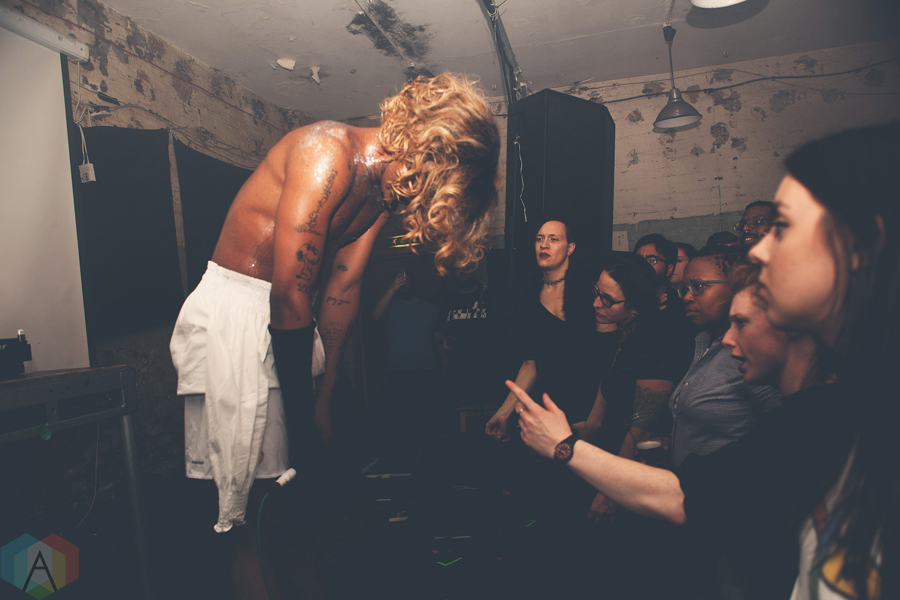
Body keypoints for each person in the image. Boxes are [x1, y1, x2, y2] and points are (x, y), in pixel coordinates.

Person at [507, 121, 900, 600]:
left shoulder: (856, 414)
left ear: (861, 245)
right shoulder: (828, 412)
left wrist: (565, 445)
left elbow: (683, 496)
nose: (762, 247)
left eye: (783, 228)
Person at [170, 73, 500, 599]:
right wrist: (304, 430)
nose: (420, 204)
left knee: (297, 514)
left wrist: (323, 401)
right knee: (253, 517)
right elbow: (289, 294)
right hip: (239, 313)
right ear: (423, 148)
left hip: (288, 326)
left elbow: (342, 292)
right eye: (432, 188)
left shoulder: (381, 195)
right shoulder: (327, 153)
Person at [669, 247, 781, 468]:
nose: (688, 297)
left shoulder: (749, 356)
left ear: (736, 288)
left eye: (698, 287)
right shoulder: (703, 341)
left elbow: (779, 437)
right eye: (685, 289)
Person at [372, 269, 441, 457]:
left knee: (426, 419)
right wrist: (392, 289)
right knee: (400, 420)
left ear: (414, 283)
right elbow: (375, 316)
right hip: (398, 372)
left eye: (407, 280)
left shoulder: (429, 308)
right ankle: (404, 458)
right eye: (400, 280)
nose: (404, 284)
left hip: (425, 371)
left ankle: (428, 457)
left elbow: (438, 338)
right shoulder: (390, 307)